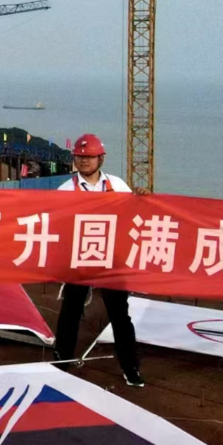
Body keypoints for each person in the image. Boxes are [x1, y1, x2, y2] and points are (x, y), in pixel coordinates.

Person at [54, 133, 145, 388]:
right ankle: (62, 361)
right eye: (80, 157)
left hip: (111, 258)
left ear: (101, 159)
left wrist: (141, 197)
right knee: (71, 311)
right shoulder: (65, 189)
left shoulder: (118, 185)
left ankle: (131, 367)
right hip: (79, 257)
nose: (84, 161)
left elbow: (135, 213)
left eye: (90, 157)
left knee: (119, 314)